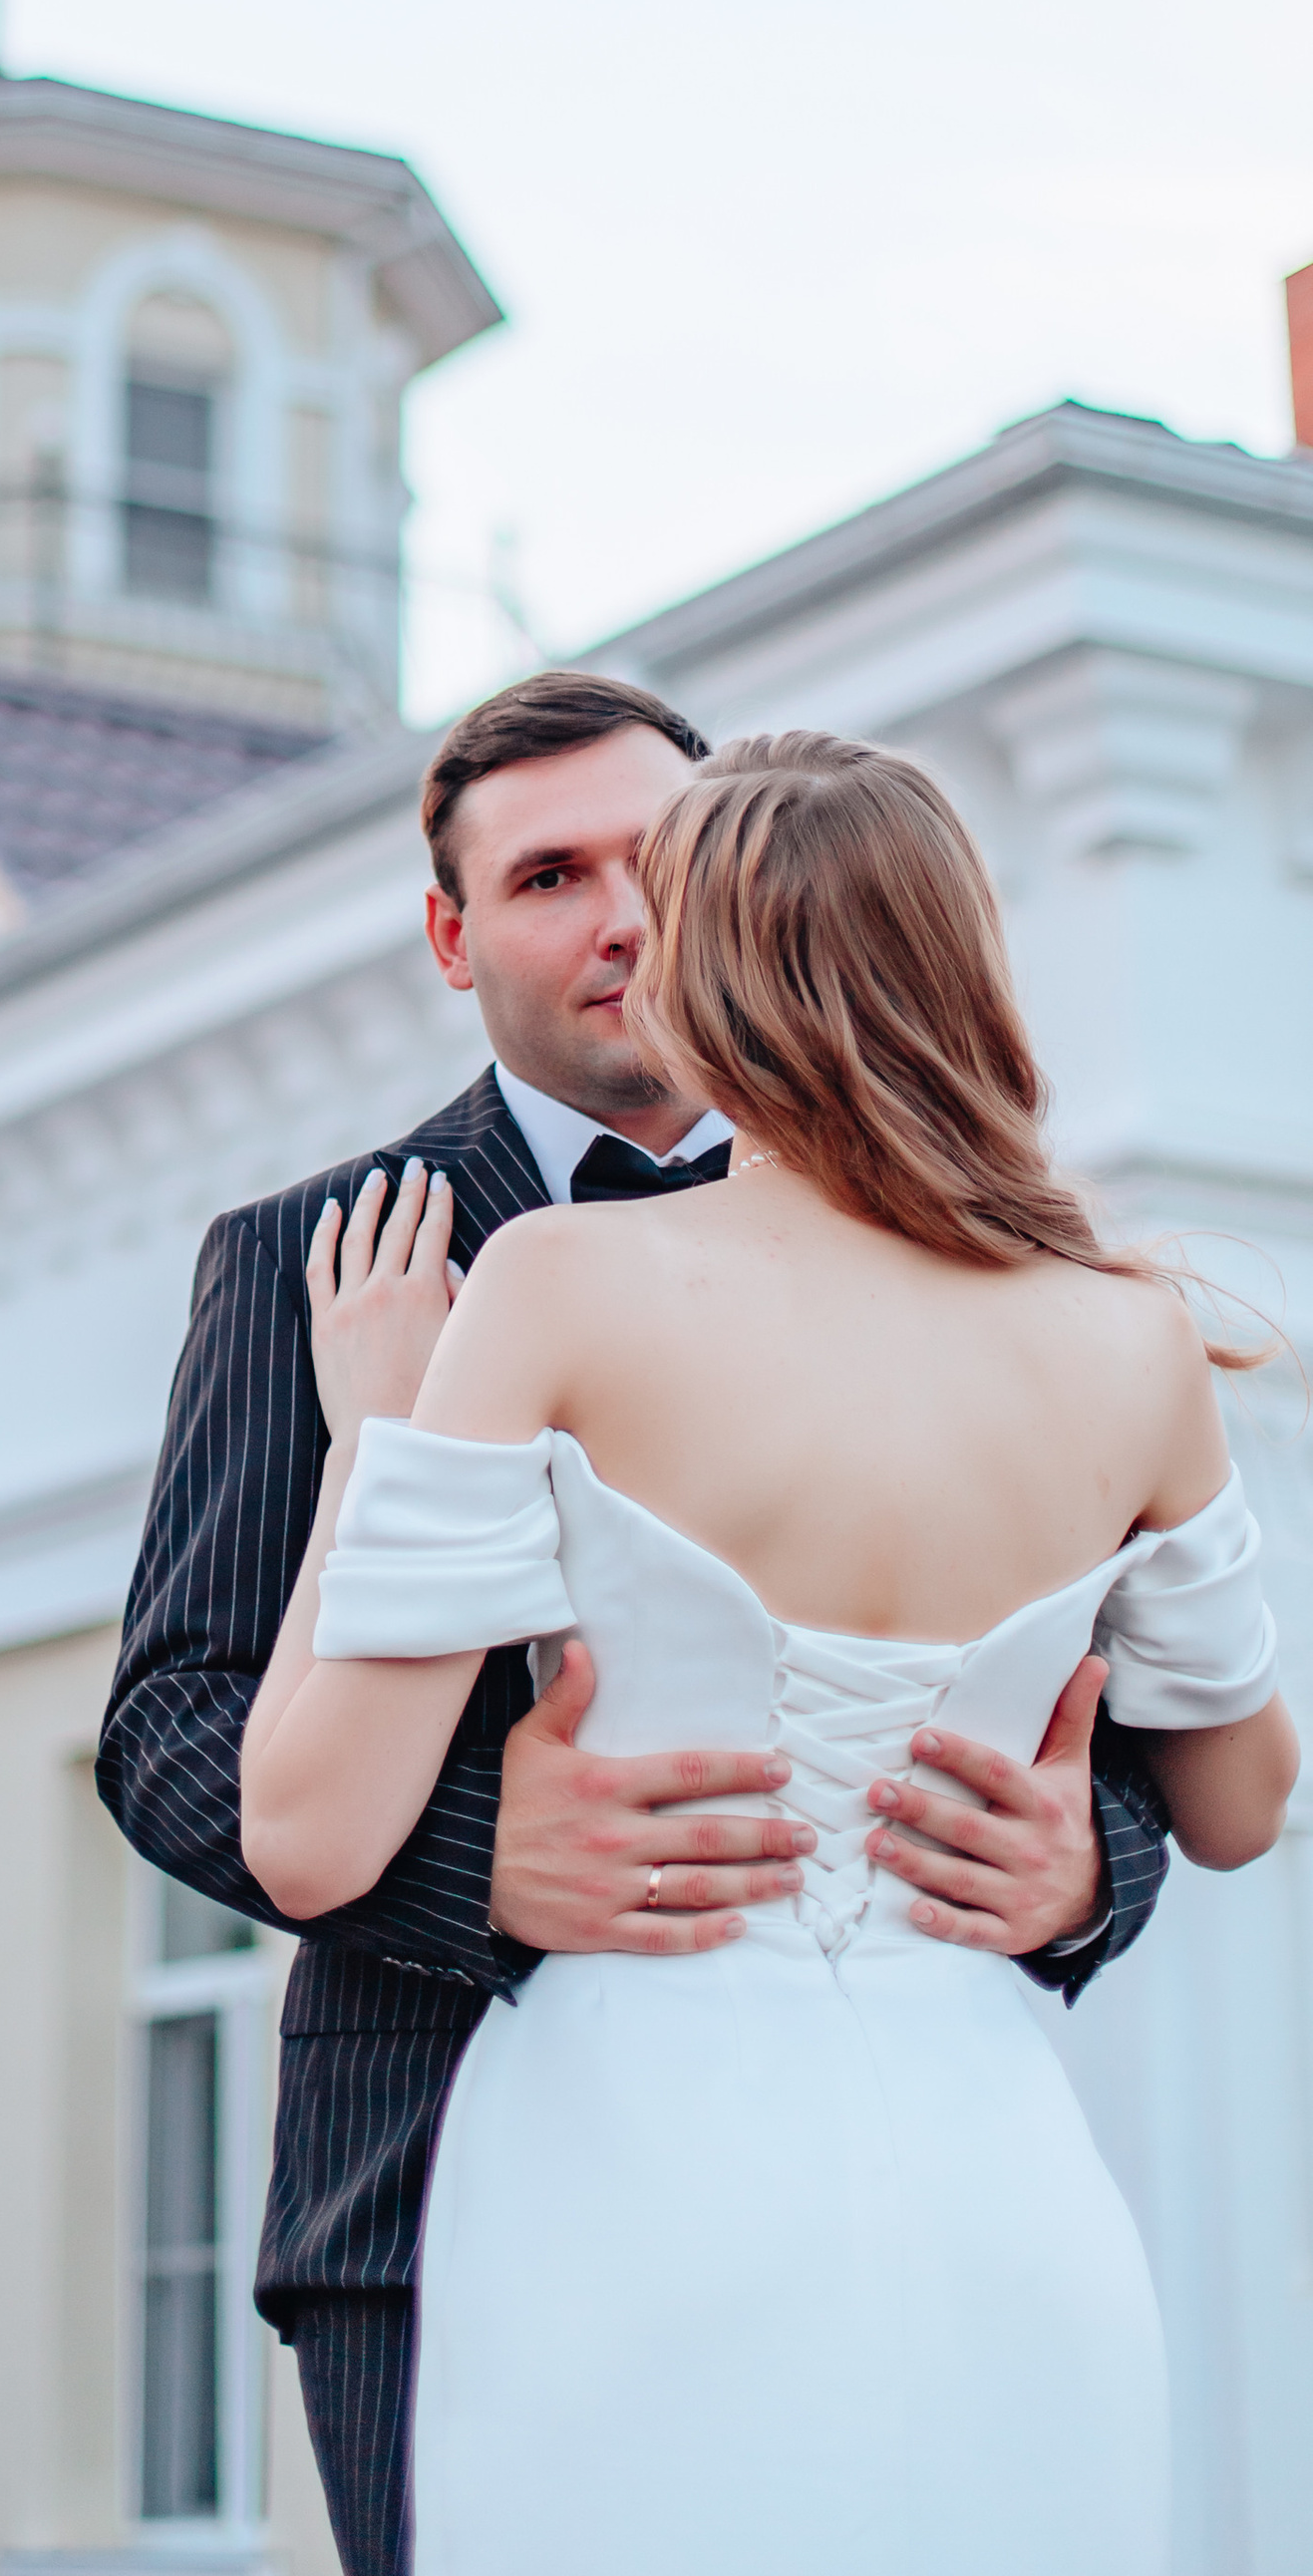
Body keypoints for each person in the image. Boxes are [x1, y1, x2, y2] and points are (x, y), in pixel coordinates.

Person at [96, 673, 1179, 2576]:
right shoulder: (322, 1258)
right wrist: (480, 1863)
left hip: (907, 2189)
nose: (619, 919)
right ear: (453, 934)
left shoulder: (983, 1263)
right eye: (548, 877)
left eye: (658, 865)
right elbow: (174, 1719)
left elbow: (1127, 1707)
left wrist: (1089, 1862)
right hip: (425, 2193)